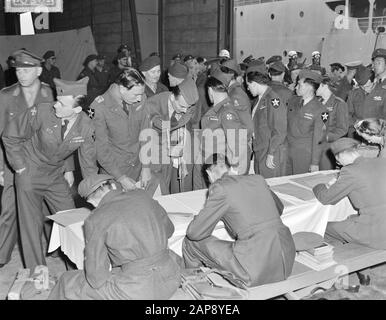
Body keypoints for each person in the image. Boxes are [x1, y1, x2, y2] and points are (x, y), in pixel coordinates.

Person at [2, 77, 98, 269]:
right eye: (57, 99)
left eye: (62, 104)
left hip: (55, 174)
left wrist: (96, 192)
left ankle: (76, 266)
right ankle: (36, 271)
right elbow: (10, 135)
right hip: (30, 171)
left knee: (70, 217)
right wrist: (20, 167)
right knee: (31, 223)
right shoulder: (42, 112)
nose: (55, 105)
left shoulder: (86, 126)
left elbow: (88, 163)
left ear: (77, 110)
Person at [48, 174, 181, 300]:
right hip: (171, 277)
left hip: (137, 290)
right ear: (113, 186)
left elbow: (96, 278)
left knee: (67, 280)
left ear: (91, 201)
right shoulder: (142, 195)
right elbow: (169, 230)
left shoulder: (96, 219)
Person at [183, 154, 295, 287]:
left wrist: (202, 216)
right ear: (229, 167)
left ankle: (195, 288)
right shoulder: (257, 179)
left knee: (190, 242)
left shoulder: (220, 187)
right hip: (285, 260)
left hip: (256, 268)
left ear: (209, 173)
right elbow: (279, 209)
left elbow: (194, 233)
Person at [0, 50, 55, 269]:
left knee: (49, 210)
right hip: (15, 162)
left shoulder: (50, 93)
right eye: (18, 70)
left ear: (39, 71)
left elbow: (56, 129)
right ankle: (2, 255)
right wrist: (1, 168)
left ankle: (55, 248)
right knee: (9, 210)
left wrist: (65, 167)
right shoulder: (6, 95)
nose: (21, 74)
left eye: (26, 70)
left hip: (44, 162)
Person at [91, 69, 158, 196]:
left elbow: (146, 133)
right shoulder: (98, 107)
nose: (140, 99)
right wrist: (120, 178)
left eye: (141, 94)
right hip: (114, 172)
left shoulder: (140, 97)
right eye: (135, 95)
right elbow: (101, 150)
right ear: (122, 88)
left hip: (139, 168)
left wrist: (146, 167)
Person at [313, 138, 386, 250]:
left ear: (341, 155)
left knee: (321, 227)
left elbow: (326, 198)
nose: (340, 164)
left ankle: (343, 260)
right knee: (347, 220)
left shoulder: (350, 171)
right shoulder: (381, 161)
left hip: (376, 232)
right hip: (379, 222)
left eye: (337, 161)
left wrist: (319, 186)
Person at [194, 73, 249, 190]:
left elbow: (238, 143)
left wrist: (234, 171)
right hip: (208, 164)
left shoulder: (226, 111)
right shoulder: (218, 109)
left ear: (210, 90)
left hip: (217, 170)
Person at [144, 78, 199, 194]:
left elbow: (183, 128)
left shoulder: (187, 106)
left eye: (188, 108)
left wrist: (181, 160)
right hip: (150, 164)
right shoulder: (151, 107)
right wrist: (168, 151)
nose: (185, 111)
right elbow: (145, 142)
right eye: (182, 107)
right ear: (173, 97)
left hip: (168, 163)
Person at [246, 65, 287, 178]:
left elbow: (279, 130)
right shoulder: (258, 100)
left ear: (254, 83)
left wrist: (271, 153)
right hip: (260, 149)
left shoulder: (273, 100)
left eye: (248, 85)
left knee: (271, 187)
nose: (248, 89)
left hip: (270, 151)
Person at [286, 69, 326, 175]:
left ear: (309, 87)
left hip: (304, 155)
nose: (295, 87)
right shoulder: (292, 101)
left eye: (299, 85)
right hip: (287, 150)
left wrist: (314, 163)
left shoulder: (321, 110)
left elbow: (319, 138)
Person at [316, 76, 349, 170]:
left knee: (324, 172)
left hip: (328, 146)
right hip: (313, 143)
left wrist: (327, 137)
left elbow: (342, 129)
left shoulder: (339, 103)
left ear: (325, 86)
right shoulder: (316, 101)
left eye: (318, 86)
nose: (315, 88)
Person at [347, 65, 386, 137]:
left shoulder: (383, 93)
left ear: (374, 80)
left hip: (376, 135)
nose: (364, 89)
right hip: (356, 133)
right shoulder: (353, 94)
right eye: (362, 86)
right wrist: (355, 123)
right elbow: (347, 114)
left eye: (367, 86)